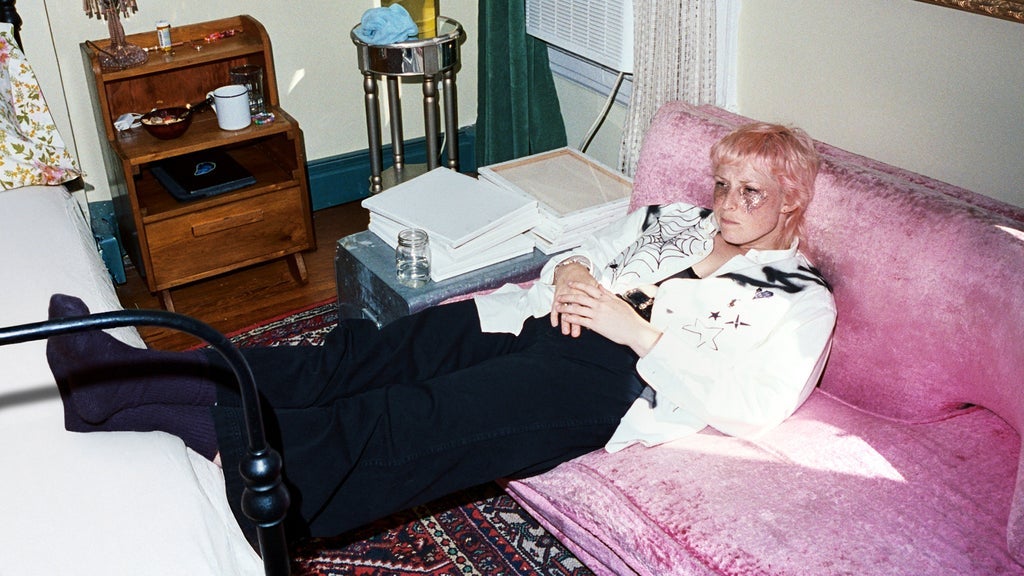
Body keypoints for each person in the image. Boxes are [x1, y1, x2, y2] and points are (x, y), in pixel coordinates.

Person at [46, 121, 837, 543]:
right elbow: (588, 248)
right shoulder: (674, 219)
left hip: (612, 381)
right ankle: (124, 376)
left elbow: (754, 405)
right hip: (538, 316)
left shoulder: (801, 299)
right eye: (723, 184)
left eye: (751, 192)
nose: (727, 204)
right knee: (357, 358)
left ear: (792, 202)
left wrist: (638, 333)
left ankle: (175, 420)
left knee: (410, 418)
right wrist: (569, 274)